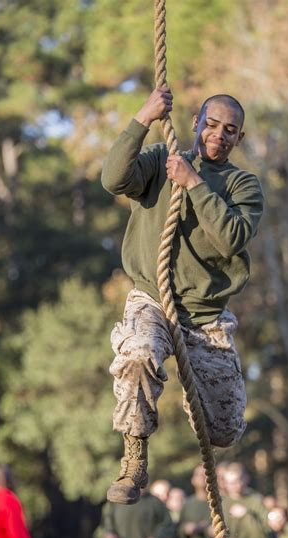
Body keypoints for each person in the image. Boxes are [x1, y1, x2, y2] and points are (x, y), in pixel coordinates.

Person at [101, 87, 264, 505]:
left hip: (205, 316)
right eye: (211, 124)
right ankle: (134, 458)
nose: (219, 135)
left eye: (230, 130)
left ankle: (198, 397)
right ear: (196, 123)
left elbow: (231, 238)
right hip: (153, 298)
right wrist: (143, 118)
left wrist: (193, 183)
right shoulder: (161, 159)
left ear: (238, 138)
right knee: (137, 354)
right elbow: (113, 179)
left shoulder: (243, 185)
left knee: (224, 431)